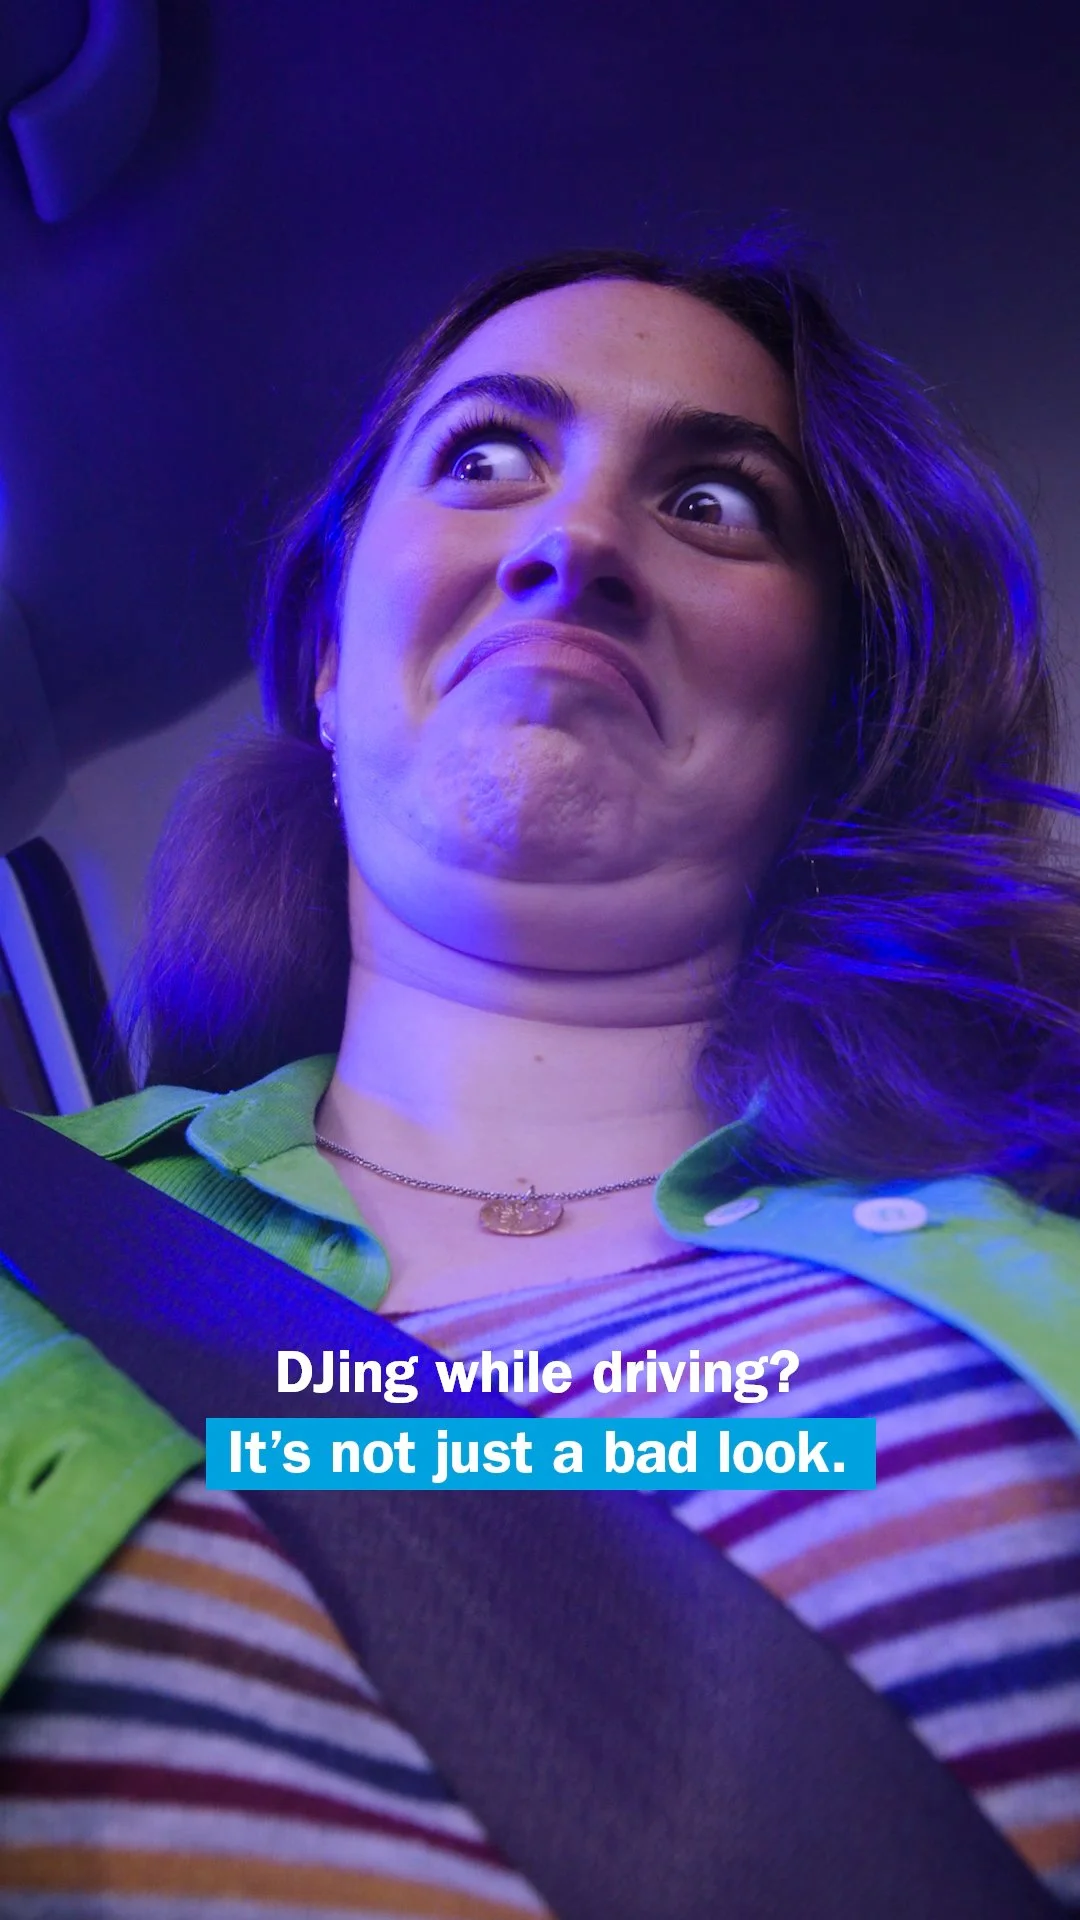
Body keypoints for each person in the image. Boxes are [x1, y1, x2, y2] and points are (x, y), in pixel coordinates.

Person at [1, 244, 1079, 1916]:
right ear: (331, 655)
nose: (574, 543)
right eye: (486, 456)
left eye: (715, 501)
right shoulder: (27, 1257)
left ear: (834, 707)